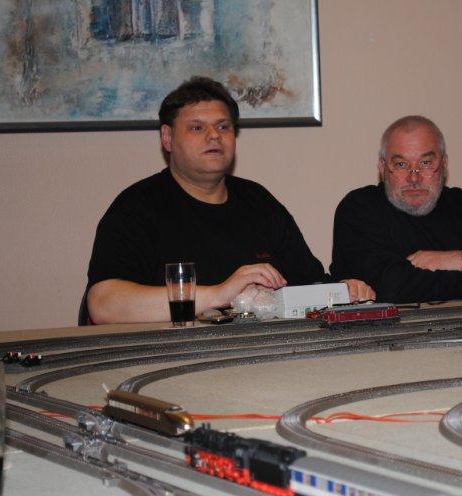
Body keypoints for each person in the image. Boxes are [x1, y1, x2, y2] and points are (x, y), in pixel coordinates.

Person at [85, 76, 373, 324]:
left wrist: (342, 291)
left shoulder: (259, 202)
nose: (214, 136)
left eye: (223, 127)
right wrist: (219, 294)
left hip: (261, 354)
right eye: (197, 128)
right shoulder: (136, 208)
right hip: (172, 357)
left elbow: (308, 281)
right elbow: (102, 304)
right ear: (167, 138)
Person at [330, 115, 462, 303]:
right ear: (382, 167)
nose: (414, 177)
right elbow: (393, 286)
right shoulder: (359, 209)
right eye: (401, 164)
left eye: (425, 163)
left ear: (444, 164)